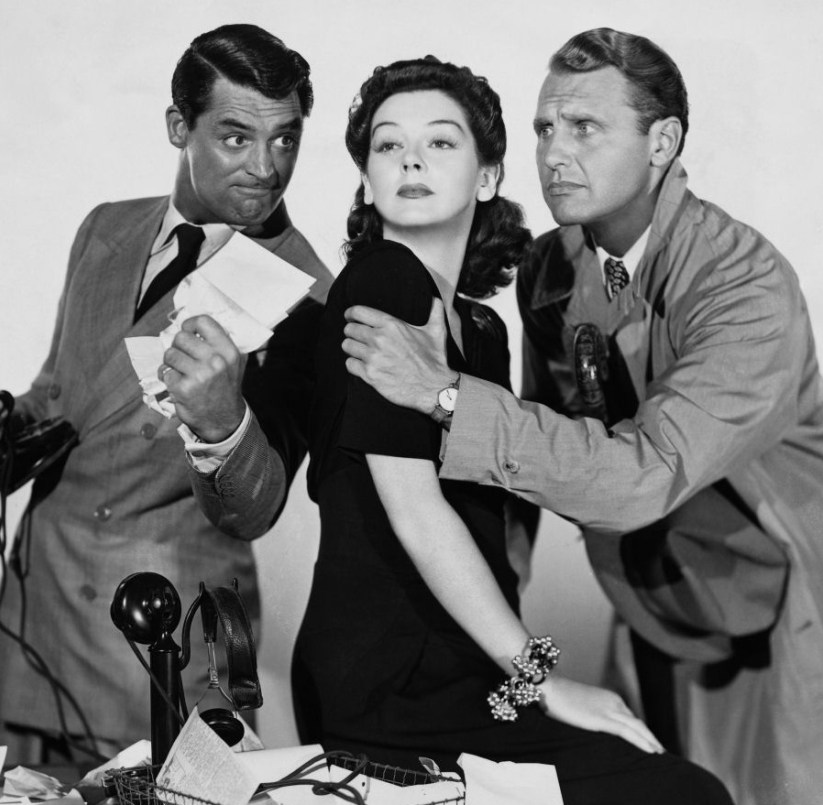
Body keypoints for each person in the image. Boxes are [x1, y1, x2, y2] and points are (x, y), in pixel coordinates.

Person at [339, 29, 823, 805]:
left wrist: (443, 395)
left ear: (662, 143)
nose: (554, 153)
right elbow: (531, 455)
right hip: (657, 593)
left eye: (585, 127)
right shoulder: (549, 269)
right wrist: (503, 648)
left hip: (793, 592)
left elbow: (643, 474)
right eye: (545, 128)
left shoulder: (744, 283)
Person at [291, 56, 732, 805]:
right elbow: (417, 513)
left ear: (489, 175)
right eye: (388, 145)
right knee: (681, 795)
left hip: (469, 666)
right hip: (389, 679)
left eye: (440, 142)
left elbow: (498, 512)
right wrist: (543, 679)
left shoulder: (482, 331)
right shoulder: (381, 282)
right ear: (366, 180)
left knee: (674, 781)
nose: (410, 161)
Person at [0, 24, 333, 762]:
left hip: (157, 639)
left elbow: (256, 508)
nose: (266, 167)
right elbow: (60, 395)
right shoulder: (106, 228)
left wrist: (223, 423)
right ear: (179, 126)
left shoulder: (308, 292)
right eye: (237, 137)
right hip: (34, 612)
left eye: (285, 140)